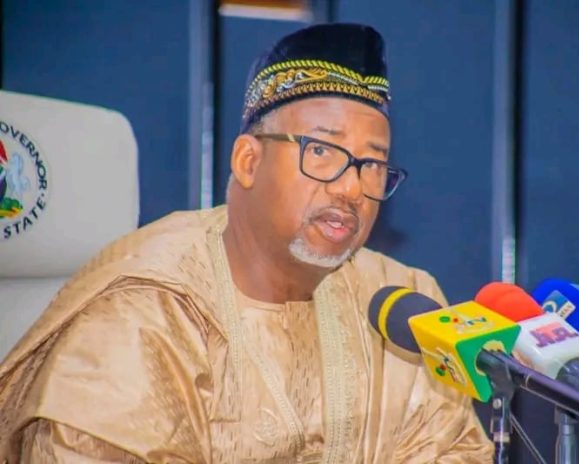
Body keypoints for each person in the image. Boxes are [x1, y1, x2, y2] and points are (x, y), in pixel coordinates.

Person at [0, 23, 493, 463]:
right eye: (322, 151)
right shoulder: (146, 308)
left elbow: (452, 451)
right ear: (248, 162)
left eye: (373, 164)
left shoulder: (401, 304)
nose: (351, 187)